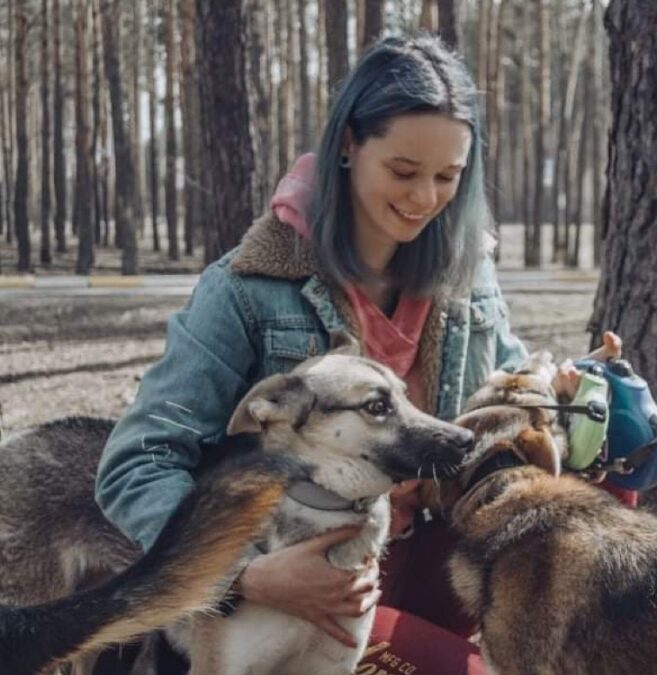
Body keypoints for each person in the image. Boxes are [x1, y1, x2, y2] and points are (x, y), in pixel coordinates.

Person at [95, 35, 623, 674]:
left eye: (447, 177)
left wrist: (556, 391)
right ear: (348, 145)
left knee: (617, 498)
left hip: (439, 549)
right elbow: (137, 462)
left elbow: (494, 403)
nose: (425, 199)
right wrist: (245, 575)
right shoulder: (247, 287)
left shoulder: (467, 276)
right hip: (303, 577)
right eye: (404, 171)